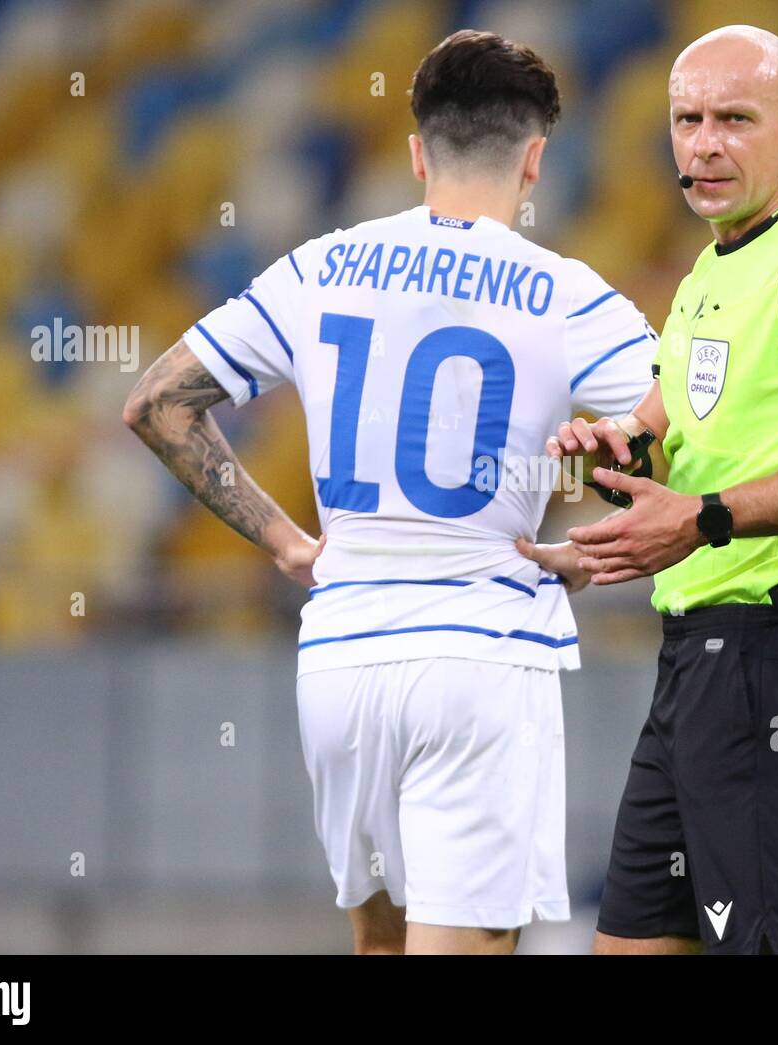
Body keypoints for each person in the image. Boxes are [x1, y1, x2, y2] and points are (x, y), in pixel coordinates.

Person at [122, 30, 656, 955]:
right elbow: (691, 422)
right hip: (477, 655)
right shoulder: (566, 294)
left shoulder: (320, 266)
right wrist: (612, 521)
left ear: (417, 153)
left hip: (341, 657)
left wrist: (287, 541)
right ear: (535, 161)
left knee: (380, 944)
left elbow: (156, 403)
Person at [535, 25, 778, 954]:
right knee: (627, 944)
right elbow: (673, 411)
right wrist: (612, 445)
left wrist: (702, 520)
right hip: (698, 660)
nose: (704, 144)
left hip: (774, 658)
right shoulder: (716, 265)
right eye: (687, 120)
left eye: (735, 120)